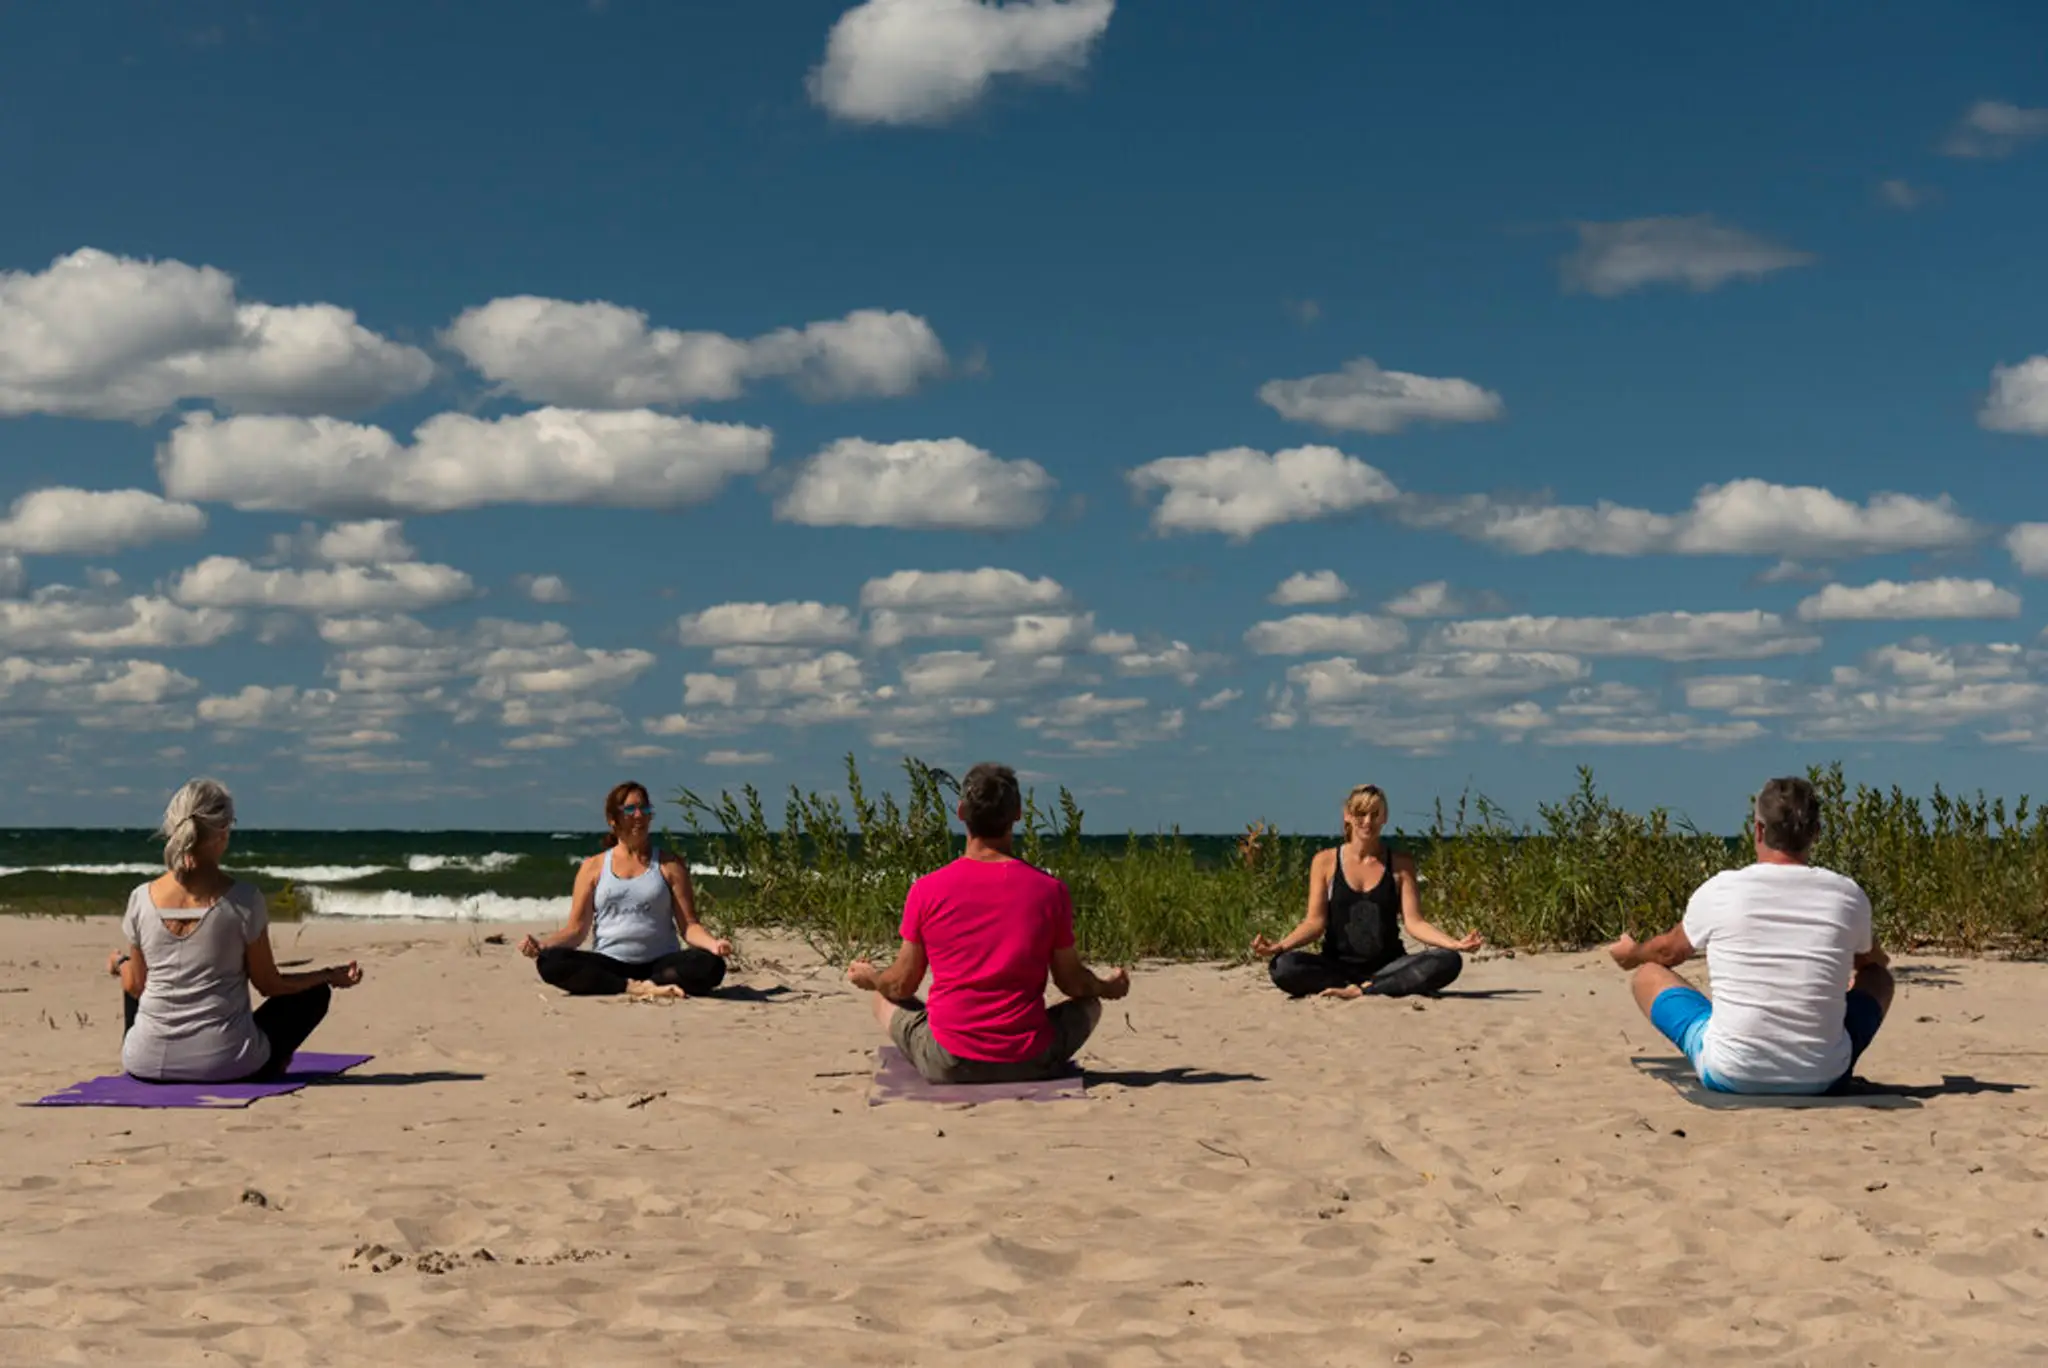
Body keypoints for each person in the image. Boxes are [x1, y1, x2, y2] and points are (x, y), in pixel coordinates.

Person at [1608, 775, 1893, 1095]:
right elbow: (1872, 962)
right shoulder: (1847, 894)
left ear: (1758, 829)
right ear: (1816, 833)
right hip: (1824, 1077)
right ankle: (1815, 1058)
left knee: (1648, 974)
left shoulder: (1721, 889)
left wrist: (1631, 953)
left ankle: (1728, 1046)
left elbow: (1667, 953)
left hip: (1732, 1074)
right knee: (1879, 979)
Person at [847, 761, 1128, 1084]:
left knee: (883, 996)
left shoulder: (926, 889)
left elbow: (901, 985)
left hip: (949, 1061)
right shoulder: (1050, 891)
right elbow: (1072, 983)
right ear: (1018, 814)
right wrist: (1107, 987)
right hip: (1030, 1059)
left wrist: (872, 978)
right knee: (1090, 1004)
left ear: (961, 812)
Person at [115, 778, 361, 1083]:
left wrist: (119, 964)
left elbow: (136, 986)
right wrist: (327, 975)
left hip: (145, 1063)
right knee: (314, 995)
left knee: (134, 977)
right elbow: (270, 985)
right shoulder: (244, 900)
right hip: (224, 1062)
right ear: (222, 832)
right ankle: (270, 1065)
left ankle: (157, 1047)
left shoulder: (141, 898)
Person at [1251, 783, 1480, 999]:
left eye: (1375, 814)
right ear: (1347, 816)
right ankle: (1347, 987)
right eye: (1361, 814)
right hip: (1336, 966)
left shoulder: (1400, 864)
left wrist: (1454, 944)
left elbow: (1415, 922)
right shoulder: (1325, 862)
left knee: (1449, 960)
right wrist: (1279, 946)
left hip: (1389, 967)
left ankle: (1369, 990)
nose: (1367, 821)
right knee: (1282, 966)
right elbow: (1314, 923)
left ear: (1385, 817)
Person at [519, 781, 730, 998]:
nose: (638, 815)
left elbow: (689, 926)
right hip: (610, 964)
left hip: (660, 964)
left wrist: (713, 944)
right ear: (613, 820)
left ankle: (649, 983)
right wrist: (543, 945)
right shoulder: (593, 867)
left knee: (711, 965)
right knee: (550, 962)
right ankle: (629, 986)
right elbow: (576, 930)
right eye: (630, 809)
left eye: (644, 809)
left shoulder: (670, 865)